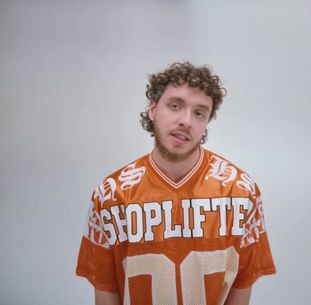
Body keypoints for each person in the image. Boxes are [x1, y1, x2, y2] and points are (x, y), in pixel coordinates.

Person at [76, 62, 276, 305]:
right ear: (152, 109)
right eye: (175, 106)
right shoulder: (111, 195)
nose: (186, 120)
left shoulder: (241, 192)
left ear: (205, 124)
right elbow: (106, 291)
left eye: (199, 113)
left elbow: (241, 289)